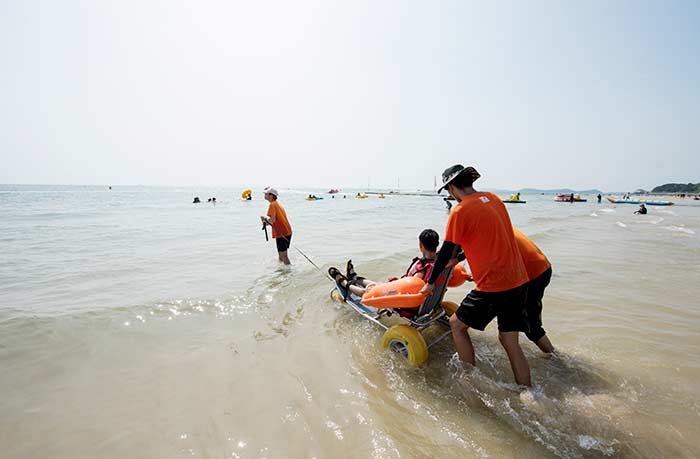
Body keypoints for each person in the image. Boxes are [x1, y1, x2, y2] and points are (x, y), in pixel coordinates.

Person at [421, 164, 532, 387]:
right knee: (510, 341)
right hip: (519, 279)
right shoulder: (493, 199)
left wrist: (430, 284)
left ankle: (467, 379)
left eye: (448, 191)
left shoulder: (460, 211)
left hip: (494, 284)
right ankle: (527, 391)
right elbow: (488, 236)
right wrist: (460, 258)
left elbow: (444, 254)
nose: (450, 195)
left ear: (451, 187)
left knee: (456, 324)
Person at [328, 229, 439, 297]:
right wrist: (398, 281)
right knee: (378, 285)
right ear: (437, 244)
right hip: (421, 297)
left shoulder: (423, 268)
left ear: (421, 246)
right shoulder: (441, 264)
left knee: (368, 292)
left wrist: (397, 283)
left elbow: (414, 285)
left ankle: (343, 282)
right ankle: (355, 277)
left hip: (406, 299)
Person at [260, 187, 292, 264]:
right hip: (287, 231)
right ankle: (282, 272)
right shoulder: (277, 204)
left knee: (283, 256)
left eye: (266, 193)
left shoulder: (272, 205)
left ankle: (289, 273)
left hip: (282, 233)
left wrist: (264, 219)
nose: (264, 194)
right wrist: (266, 221)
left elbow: (272, 220)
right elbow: (274, 220)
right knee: (281, 256)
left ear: (271, 195)